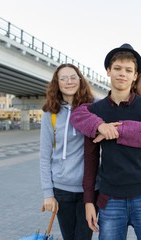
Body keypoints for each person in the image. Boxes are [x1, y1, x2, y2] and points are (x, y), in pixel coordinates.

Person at [81, 43, 141, 239]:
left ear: (135, 75)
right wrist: (88, 202)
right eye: (117, 68)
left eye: (129, 70)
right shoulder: (96, 112)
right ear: (108, 71)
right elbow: (91, 160)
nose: (122, 74)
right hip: (110, 200)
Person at [39, 63, 96, 240]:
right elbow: (44, 156)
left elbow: (118, 103)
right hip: (61, 189)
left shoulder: (93, 107)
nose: (69, 82)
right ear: (57, 83)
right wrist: (48, 193)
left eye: (73, 77)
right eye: (63, 78)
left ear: (80, 80)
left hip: (89, 189)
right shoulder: (51, 113)